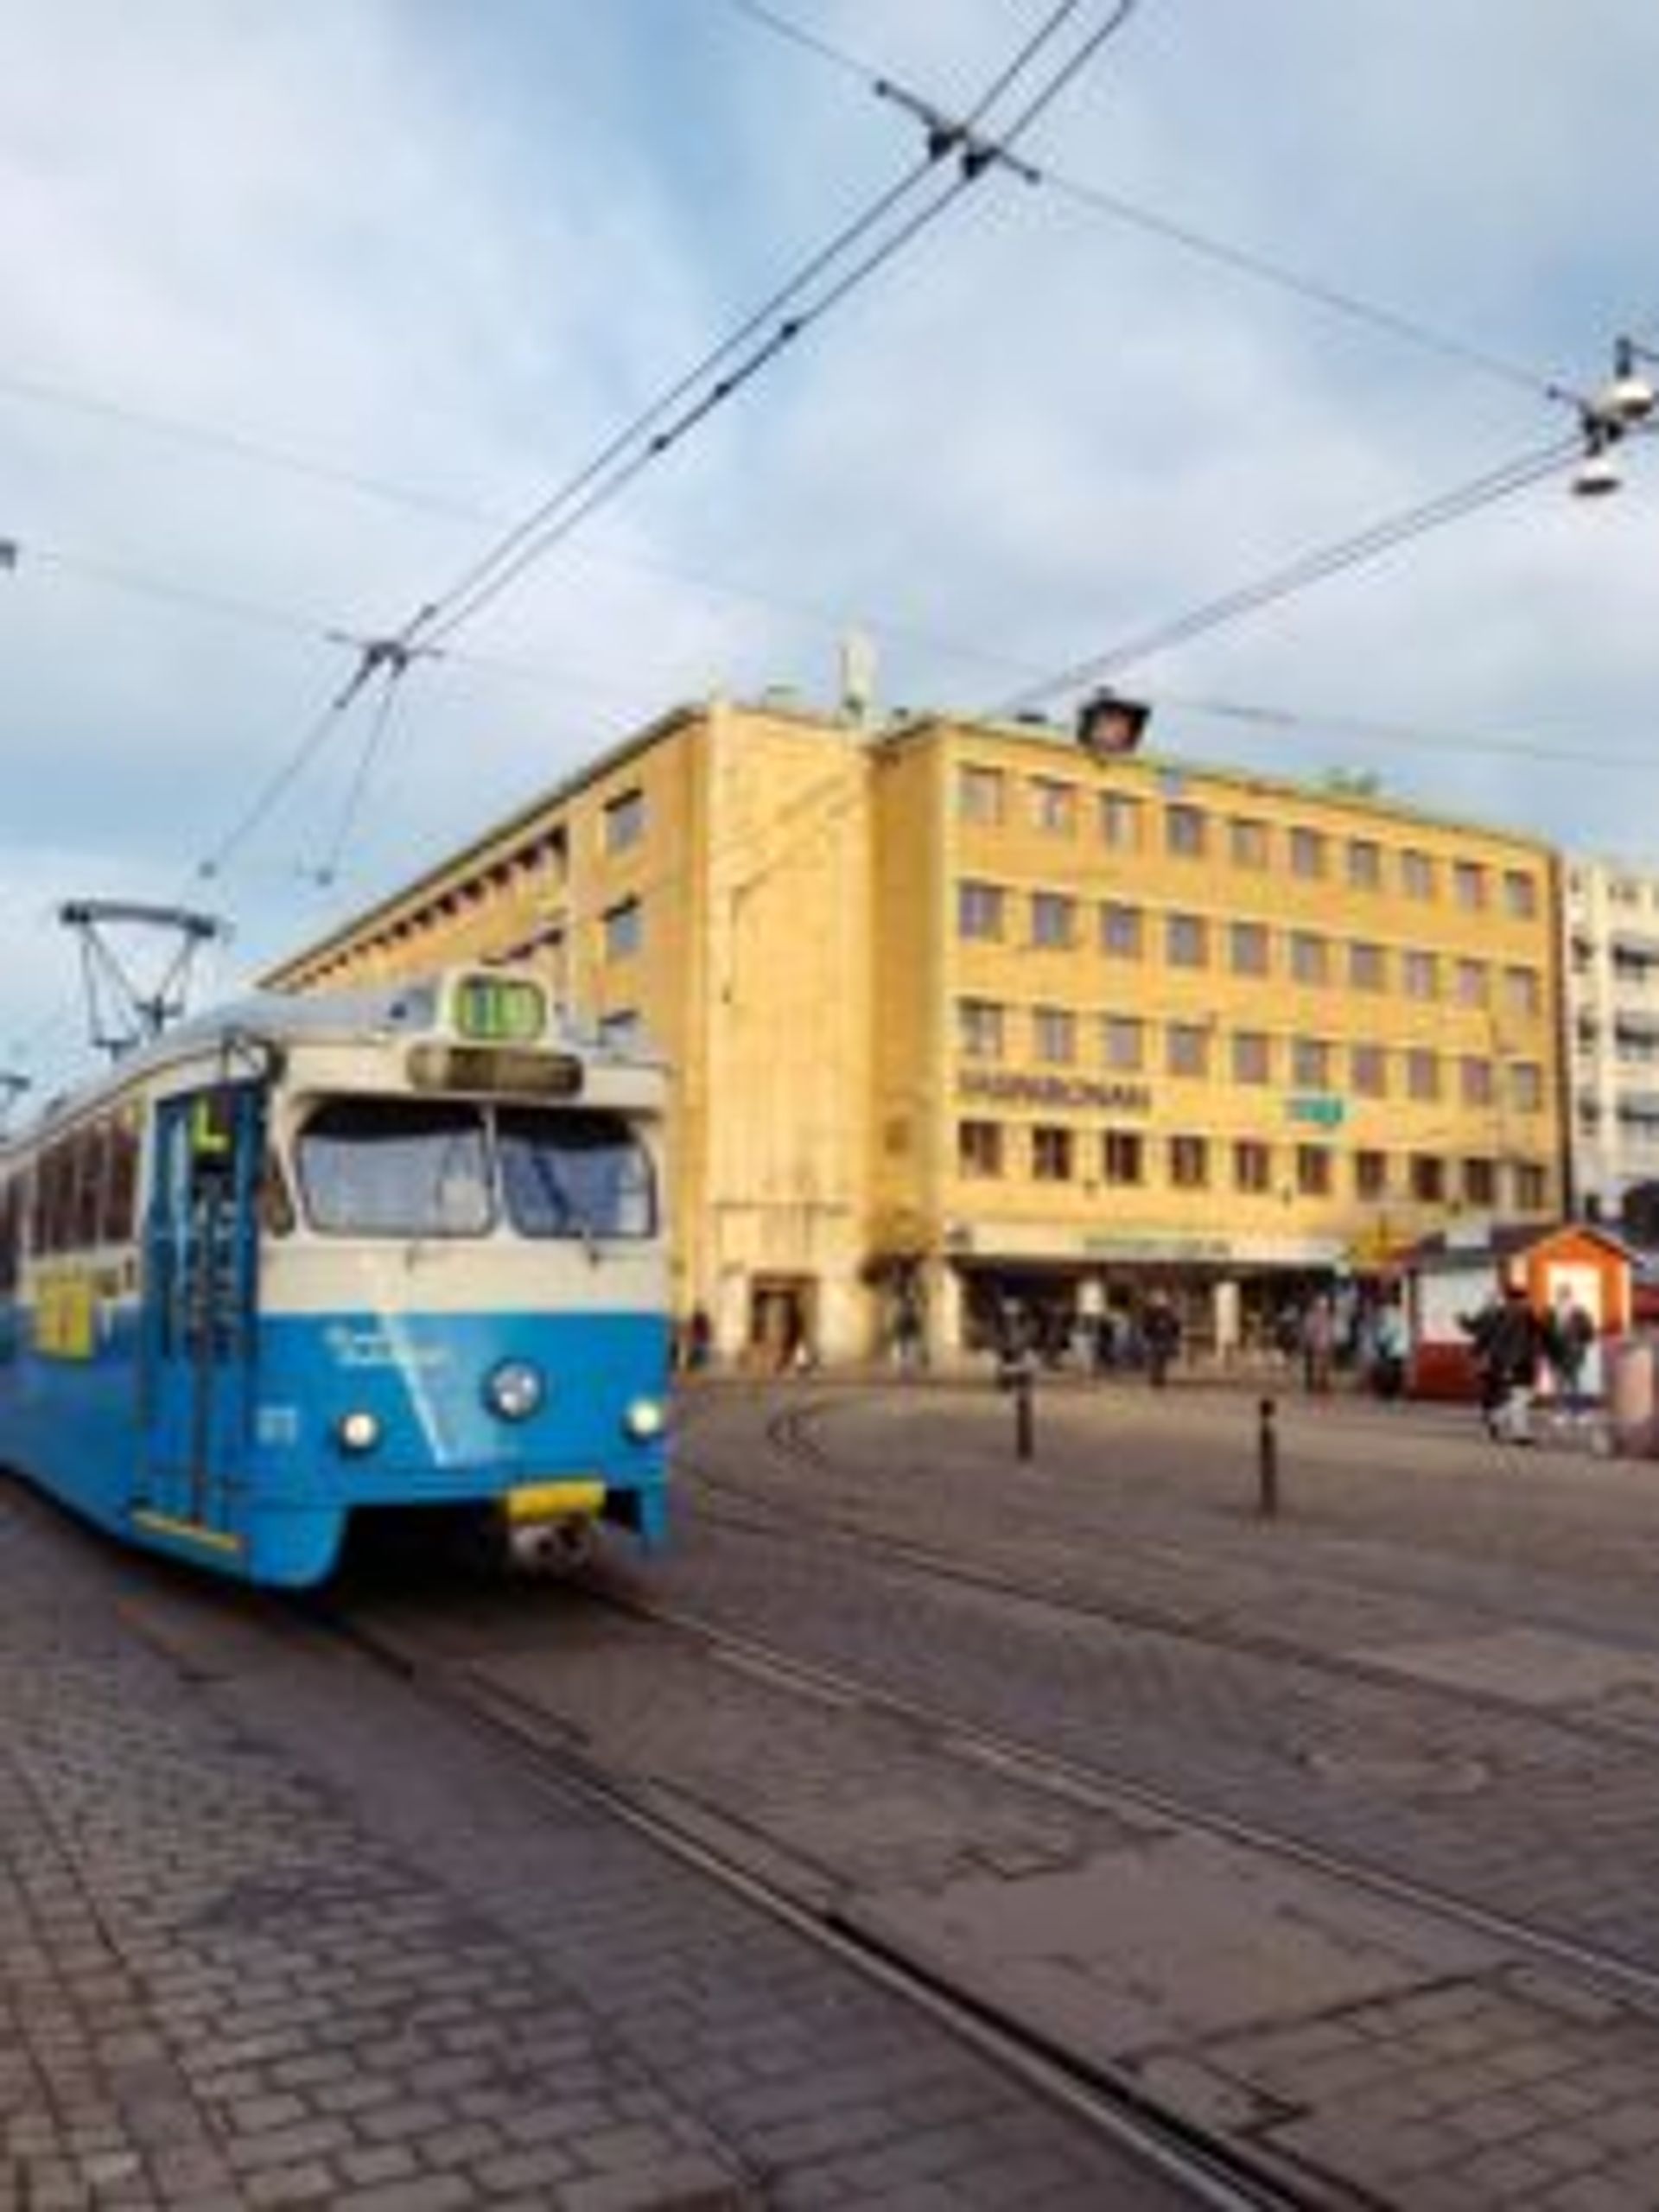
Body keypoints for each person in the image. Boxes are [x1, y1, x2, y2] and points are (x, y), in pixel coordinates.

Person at [1473, 1281, 1545, 1445]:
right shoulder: (1519, 1315)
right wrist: (1510, 1364)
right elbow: (1517, 1341)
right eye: (1525, 1299)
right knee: (1521, 1397)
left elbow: (1495, 1339)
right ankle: (1520, 1433)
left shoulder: (1505, 1314)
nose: (1528, 1301)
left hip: (1514, 1361)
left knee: (1521, 1396)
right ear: (1520, 1300)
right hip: (1519, 1361)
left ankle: (1497, 1418)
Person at [1142, 1292, 1180, 1389]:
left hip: (1160, 1338)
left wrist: (1173, 1335)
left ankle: (1158, 1378)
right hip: (1157, 1338)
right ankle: (1157, 1378)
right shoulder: (1154, 1313)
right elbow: (1175, 1326)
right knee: (1157, 1359)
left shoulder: (1165, 1314)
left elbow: (1175, 1326)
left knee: (1159, 1360)